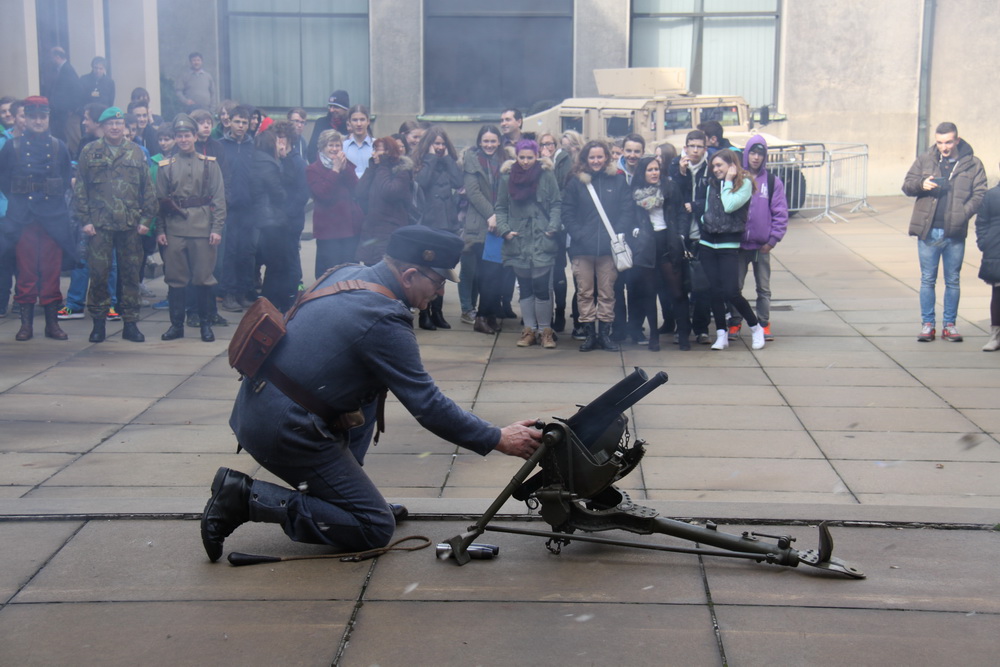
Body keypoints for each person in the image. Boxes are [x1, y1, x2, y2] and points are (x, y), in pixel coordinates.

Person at [201, 225, 543, 562]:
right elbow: (428, 405)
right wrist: (497, 438)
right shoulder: (382, 316)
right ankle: (244, 497)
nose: (440, 292)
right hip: (283, 428)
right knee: (373, 528)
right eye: (438, 282)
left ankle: (345, 500)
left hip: (260, 406)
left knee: (366, 396)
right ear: (409, 275)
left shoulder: (350, 272)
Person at [73, 106, 158, 343]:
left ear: (124, 127)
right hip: (99, 225)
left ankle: (130, 323)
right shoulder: (90, 151)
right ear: (102, 127)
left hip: (130, 225)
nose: (114, 127)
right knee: (99, 275)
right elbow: (80, 188)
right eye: (110, 123)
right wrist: (85, 220)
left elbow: (147, 189)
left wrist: (146, 221)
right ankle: (98, 323)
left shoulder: (136, 152)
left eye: (118, 124)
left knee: (131, 276)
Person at [902, 122, 987, 342]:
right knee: (927, 280)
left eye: (948, 142)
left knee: (953, 280)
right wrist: (922, 184)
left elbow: (980, 194)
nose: (944, 147)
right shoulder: (925, 159)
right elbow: (907, 185)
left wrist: (962, 213)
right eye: (940, 142)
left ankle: (950, 325)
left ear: (957, 140)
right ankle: (927, 325)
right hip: (929, 231)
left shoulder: (972, 164)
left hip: (954, 232)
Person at [0, 96, 75, 340]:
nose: (38, 121)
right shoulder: (12, 147)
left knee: (51, 272)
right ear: (25, 119)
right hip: (23, 219)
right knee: (26, 272)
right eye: (33, 116)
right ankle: (26, 326)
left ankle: (52, 325)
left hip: (52, 218)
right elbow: (4, 180)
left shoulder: (58, 146)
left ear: (48, 117)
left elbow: (65, 179)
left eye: (43, 116)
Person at [155, 113, 226, 342]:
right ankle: (176, 326)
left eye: (187, 135)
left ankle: (206, 324)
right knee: (175, 280)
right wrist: (160, 231)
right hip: (175, 229)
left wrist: (216, 228)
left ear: (195, 136)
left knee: (204, 278)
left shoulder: (209, 165)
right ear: (175, 138)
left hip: (202, 228)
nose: (183, 139)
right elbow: (160, 202)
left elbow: (219, 199)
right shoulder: (166, 167)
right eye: (179, 136)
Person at [561, 139, 634, 352]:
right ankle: (589, 334)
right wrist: (580, 234)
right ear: (585, 158)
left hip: (608, 249)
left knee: (606, 292)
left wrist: (615, 233)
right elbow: (567, 212)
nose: (596, 160)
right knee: (585, 292)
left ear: (607, 157)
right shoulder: (576, 182)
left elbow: (627, 210)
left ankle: (604, 334)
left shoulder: (618, 181)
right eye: (592, 157)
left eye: (599, 156)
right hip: (582, 248)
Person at [496, 139, 562, 348]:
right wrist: (505, 230)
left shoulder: (546, 174)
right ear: (516, 157)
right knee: (524, 288)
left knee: (542, 287)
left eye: (529, 157)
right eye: (521, 157)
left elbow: (556, 203)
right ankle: (529, 330)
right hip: (518, 239)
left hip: (542, 237)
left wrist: (553, 226)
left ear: (537, 157)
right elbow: (500, 207)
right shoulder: (507, 177)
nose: (525, 162)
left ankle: (545, 331)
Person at [699, 150, 765, 351]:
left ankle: (756, 328)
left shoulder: (743, 183)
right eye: (714, 166)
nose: (716, 169)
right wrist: (705, 220)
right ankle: (721, 333)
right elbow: (708, 208)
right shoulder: (712, 183)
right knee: (714, 291)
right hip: (708, 242)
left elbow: (729, 206)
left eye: (720, 165)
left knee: (731, 291)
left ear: (732, 165)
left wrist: (728, 180)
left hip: (728, 244)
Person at [726, 136, 788, 342]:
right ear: (746, 154)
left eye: (760, 154)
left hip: (762, 246)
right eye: (752, 153)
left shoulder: (772, 182)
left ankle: (764, 323)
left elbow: (780, 213)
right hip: (739, 245)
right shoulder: (737, 178)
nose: (756, 158)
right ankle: (735, 322)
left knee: (763, 288)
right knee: (735, 287)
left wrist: (772, 240)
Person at [630, 156, 686, 351]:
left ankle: (684, 334)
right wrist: (635, 231)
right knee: (649, 293)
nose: (654, 173)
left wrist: (680, 235)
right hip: (646, 245)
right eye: (649, 170)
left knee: (677, 292)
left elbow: (680, 213)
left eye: (656, 169)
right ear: (642, 173)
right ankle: (653, 335)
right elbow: (629, 217)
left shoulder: (670, 188)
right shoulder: (635, 193)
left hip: (668, 242)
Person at [412, 126, 463, 330]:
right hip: (428, 222)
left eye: (442, 144)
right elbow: (421, 182)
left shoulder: (448, 161)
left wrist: (449, 159)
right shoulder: (420, 162)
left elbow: (459, 182)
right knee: (425, 270)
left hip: (447, 223)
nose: (440, 147)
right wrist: (432, 158)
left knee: (442, 271)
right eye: (436, 144)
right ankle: (425, 313)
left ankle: (438, 313)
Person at [460, 125, 505, 333]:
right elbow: (473, 192)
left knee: (496, 274)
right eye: (485, 141)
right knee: (485, 274)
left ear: (499, 142)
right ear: (480, 142)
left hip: (500, 224)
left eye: (493, 141)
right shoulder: (471, 161)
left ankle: (490, 314)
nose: (489, 145)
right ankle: (481, 318)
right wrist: (492, 214)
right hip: (480, 225)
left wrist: (500, 215)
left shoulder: (505, 161)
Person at [669, 129, 712, 345]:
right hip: (683, 233)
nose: (695, 150)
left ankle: (701, 328)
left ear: (705, 148)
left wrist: (695, 206)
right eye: (691, 146)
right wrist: (682, 173)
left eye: (699, 146)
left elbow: (715, 198)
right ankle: (682, 327)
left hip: (704, 232)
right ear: (685, 147)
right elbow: (673, 196)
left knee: (702, 285)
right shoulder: (676, 165)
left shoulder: (712, 166)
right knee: (682, 285)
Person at [307, 129, 361, 279]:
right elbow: (323, 194)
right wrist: (335, 170)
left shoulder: (346, 165)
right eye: (331, 145)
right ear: (323, 147)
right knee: (328, 271)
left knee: (349, 271)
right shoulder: (313, 169)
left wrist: (345, 169)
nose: (335, 149)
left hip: (348, 227)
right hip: (328, 229)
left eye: (338, 145)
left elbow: (356, 188)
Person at [219, 105, 257, 312]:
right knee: (230, 251)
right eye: (237, 122)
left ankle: (243, 292)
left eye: (244, 122)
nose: (240, 126)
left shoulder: (254, 146)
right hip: (229, 207)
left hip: (249, 207)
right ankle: (229, 294)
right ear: (229, 122)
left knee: (247, 251)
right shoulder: (221, 146)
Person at [355, 136, 414, 266]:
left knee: (386, 272)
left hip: (389, 232)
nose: (373, 153)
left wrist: (383, 166)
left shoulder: (401, 172)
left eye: (377, 150)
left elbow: (389, 192)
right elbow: (360, 192)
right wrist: (372, 168)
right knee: (370, 273)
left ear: (388, 153)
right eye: (373, 149)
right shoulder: (376, 169)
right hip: (371, 231)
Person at [976, 177, 1000, 351]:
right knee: (998, 293)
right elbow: (981, 222)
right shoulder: (991, 195)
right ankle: (996, 336)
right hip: (996, 250)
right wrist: (985, 242)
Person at [44, 47, 80, 145]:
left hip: (65, 113)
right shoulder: (61, 70)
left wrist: (71, 109)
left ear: (57, 57)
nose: (51, 60)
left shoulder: (67, 70)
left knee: (70, 137)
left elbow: (75, 90)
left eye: (51, 57)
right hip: (59, 112)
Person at [307, 90, 350, 162]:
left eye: (336, 107)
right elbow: (312, 151)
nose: (331, 110)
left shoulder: (352, 126)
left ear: (345, 109)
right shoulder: (321, 123)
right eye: (330, 106)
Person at [343, 104, 373, 179]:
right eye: (355, 120)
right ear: (349, 122)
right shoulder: (343, 147)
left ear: (368, 121)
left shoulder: (376, 146)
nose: (359, 124)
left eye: (362, 119)